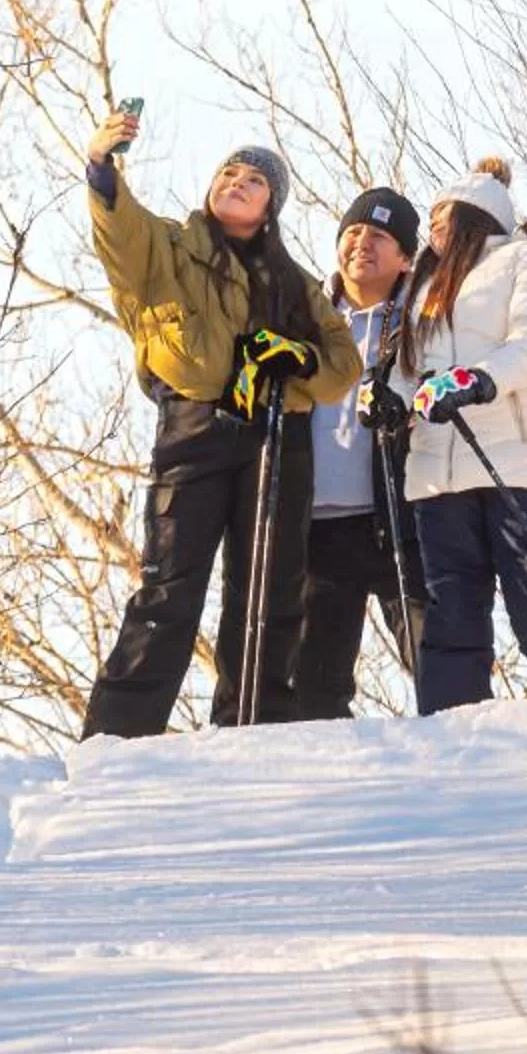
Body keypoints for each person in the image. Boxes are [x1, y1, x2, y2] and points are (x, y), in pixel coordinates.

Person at [78, 104, 360, 736]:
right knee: (170, 587)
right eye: (230, 173)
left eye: (254, 181)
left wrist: (295, 358)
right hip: (196, 430)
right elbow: (118, 231)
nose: (238, 182)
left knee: (268, 590)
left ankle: (254, 728)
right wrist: (100, 163)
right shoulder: (169, 247)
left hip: (278, 436)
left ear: (270, 208)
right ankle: (118, 736)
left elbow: (343, 364)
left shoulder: (295, 281)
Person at [395, 157, 527, 713]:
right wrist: (388, 398)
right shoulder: (426, 284)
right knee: (451, 610)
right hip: (436, 474)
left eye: (442, 217)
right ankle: (451, 724)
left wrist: (475, 381)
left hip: (512, 461)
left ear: (475, 217)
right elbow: (408, 368)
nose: (433, 229)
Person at [286, 186, 428, 718]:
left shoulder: (424, 319)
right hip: (318, 524)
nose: (361, 244)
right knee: (314, 688)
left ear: (406, 257)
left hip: (401, 514)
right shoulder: (305, 315)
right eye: (353, 232)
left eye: (379, 236)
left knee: (437, 664)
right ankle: (332, 788)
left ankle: (465, 782)